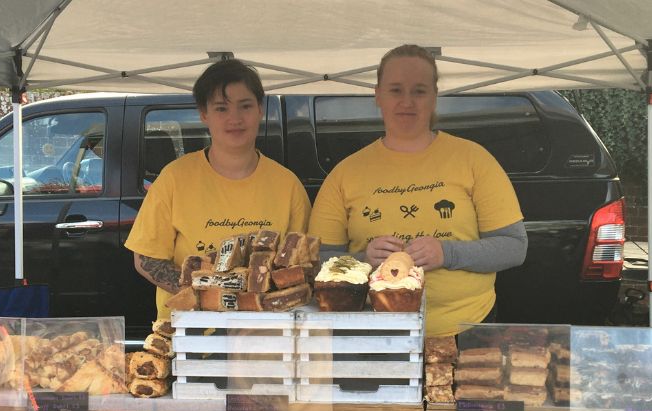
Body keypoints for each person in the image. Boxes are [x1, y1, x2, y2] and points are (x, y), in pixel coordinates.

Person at [309, 44, 527, 337]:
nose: (407, 102)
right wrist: (361, 260)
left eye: (419, 91)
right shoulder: (345, 174)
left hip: (466, 330)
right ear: (378, 96)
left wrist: (446, 253)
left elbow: (514, 247)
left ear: (434, 97)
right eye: (396, 90)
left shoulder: (473, 159)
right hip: (378, 335)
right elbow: (315, 260)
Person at [125, 59, 311, 319]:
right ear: (204, 114)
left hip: (264, 332)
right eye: (221, 108)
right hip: (189, 333)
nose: (234, 118)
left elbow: (299, 266)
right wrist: (208, 292)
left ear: (260, 108)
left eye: (245, 106)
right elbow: (146, 259)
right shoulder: (174, 178)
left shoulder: (288, 185)